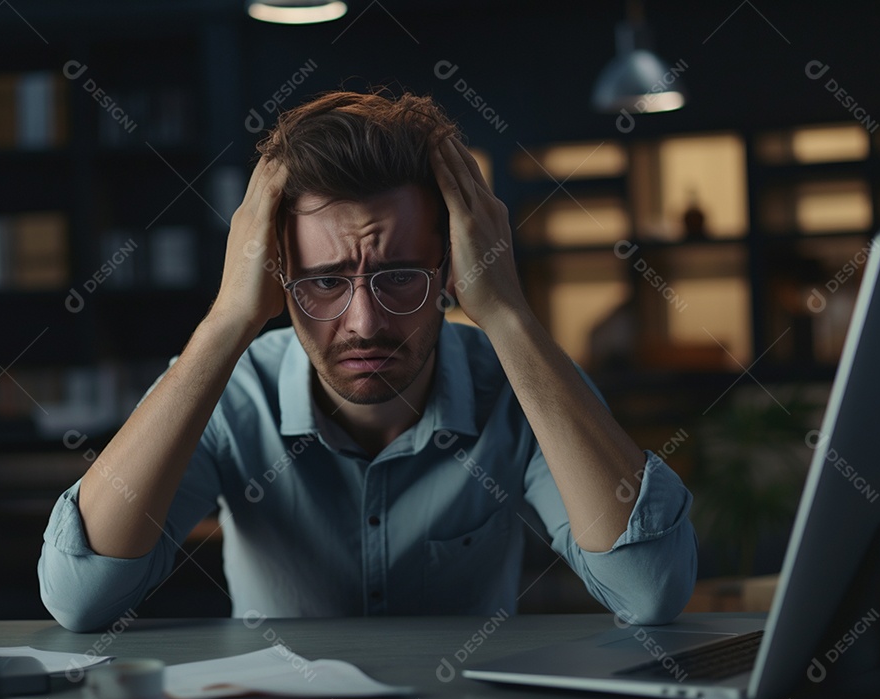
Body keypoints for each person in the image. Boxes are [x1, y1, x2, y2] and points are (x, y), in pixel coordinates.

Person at [38, 91, 697, 631]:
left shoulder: (521, 384)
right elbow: (80, 597)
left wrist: (506, 311)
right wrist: (227, 320)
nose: (365, 323)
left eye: (401, 275)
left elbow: (650, 590)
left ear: (451, 271)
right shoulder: (232, 393)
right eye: (324, 282)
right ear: (275, 277)